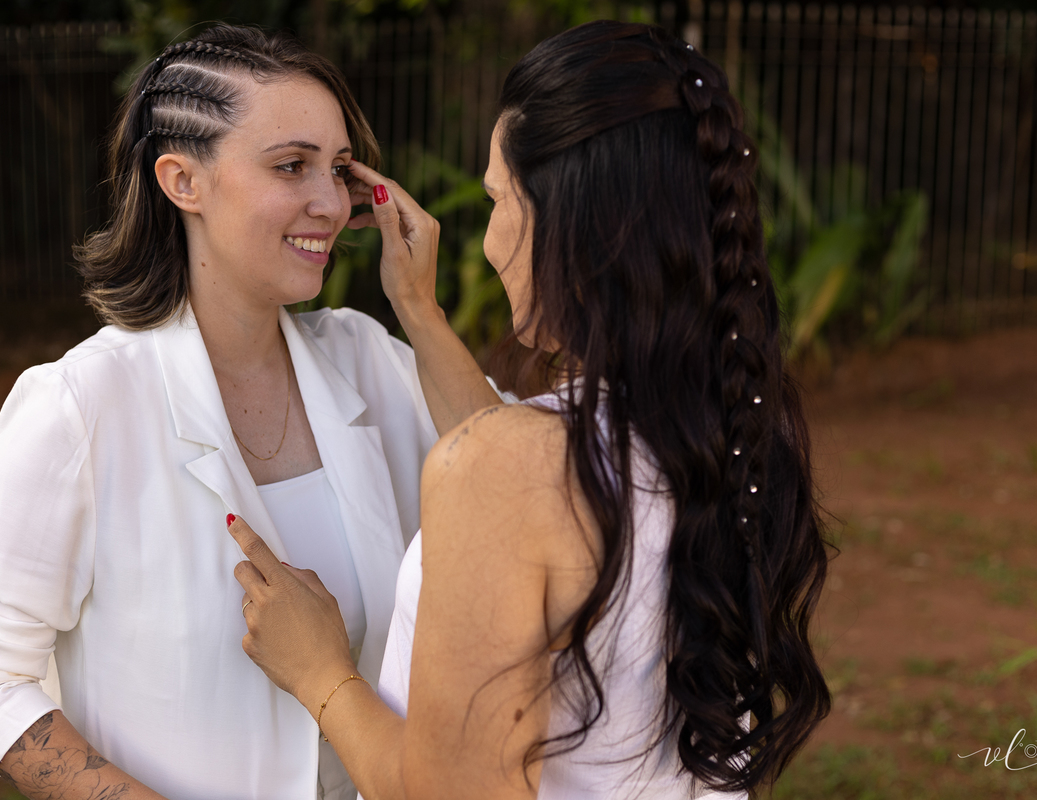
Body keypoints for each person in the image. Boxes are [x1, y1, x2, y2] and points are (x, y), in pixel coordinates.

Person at [230, 19, 832, 800]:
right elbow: (533, 481)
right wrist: (417, 307)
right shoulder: (731, 425)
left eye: (497, 201)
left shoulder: (512, 470)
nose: (484, 243)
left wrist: (321, 674)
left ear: (570, 223)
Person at [0, 24, 499, 800]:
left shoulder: (373, 360)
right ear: (182, 181)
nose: (329, 203)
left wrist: (418, 310)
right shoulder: (81, 406)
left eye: (337, 170)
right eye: (291, 166)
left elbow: (519, 489)